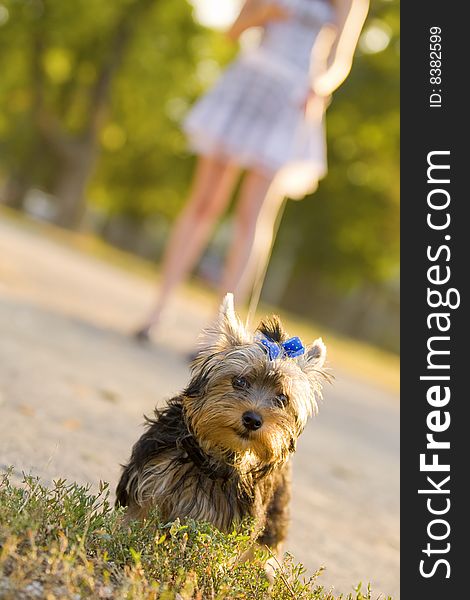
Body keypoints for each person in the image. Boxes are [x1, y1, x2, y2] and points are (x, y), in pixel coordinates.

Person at [135, 0, 369, 340]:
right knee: (204, 203)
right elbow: (233, 31)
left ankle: (220, 332)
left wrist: (319, 87)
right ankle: (158, 310)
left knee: (252, 215)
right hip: (248, 82)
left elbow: (339, 61)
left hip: (291, 97)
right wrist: (264, 13)